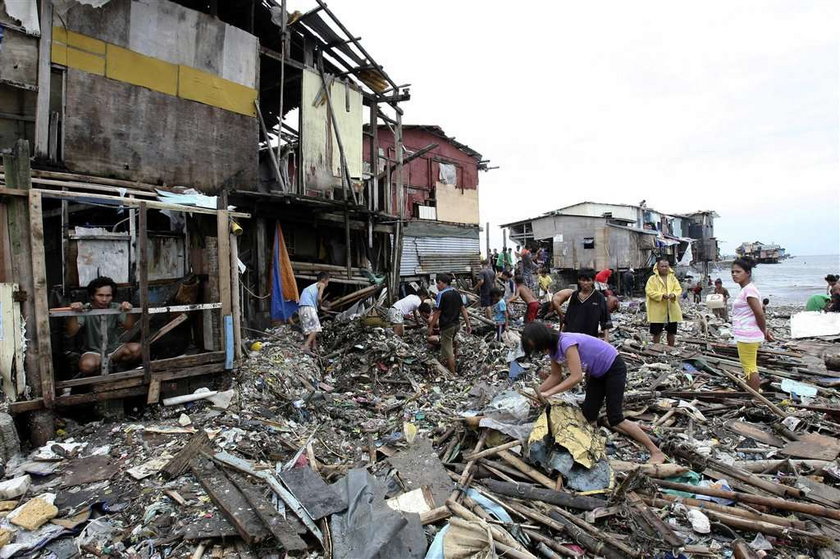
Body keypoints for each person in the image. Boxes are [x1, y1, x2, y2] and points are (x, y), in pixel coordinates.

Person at [521, 322, 666, 464]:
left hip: (613, 367)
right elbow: (555, 376)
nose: (541, 352)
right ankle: (595, 445)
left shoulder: (566, 343)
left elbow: (576, 377)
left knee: (615, 417)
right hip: (597, 373)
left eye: (539, 348)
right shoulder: (553, 350)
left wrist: (549, 393)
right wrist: (538, 393)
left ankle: (655, 451)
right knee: (589, 414)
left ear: (543, 340)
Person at [65, 276, 140, 376]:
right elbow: (71, 332)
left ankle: (118, 368)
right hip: (93, 352)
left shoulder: (116, 307)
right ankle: (99, 375)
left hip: (114, 350)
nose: (104, 299)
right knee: (87, 365)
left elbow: (129, 327)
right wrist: (74, 313)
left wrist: (129, 311)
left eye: (108, 295)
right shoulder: (85, 309)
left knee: (137, 349)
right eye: (100, 295)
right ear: (92, 296)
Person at [731, 257, 773, 391]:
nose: (734, 274)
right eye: (732, 272)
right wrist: (764, 331)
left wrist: (764, 331)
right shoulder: (747, 290)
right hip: (746, 333)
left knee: (750, 367)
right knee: (749, 366)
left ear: (748, 273)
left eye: (738, 271)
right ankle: (754, 393)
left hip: (747, 335)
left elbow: (759, 313)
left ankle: (755, 397)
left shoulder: (749, 290)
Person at [551, 269, 612, 341]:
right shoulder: (575, 295)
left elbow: (605, 319)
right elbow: (568, 317)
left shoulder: (599, 297)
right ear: (579, 281)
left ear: (593, 281)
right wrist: (561, 334)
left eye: (588, 280)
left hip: (589, 336)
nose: (585, 283)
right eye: (583, 280)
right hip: (572, 335)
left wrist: (606, 339)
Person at [430, 273, 471, 374]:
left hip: (447, 326)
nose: (437, 286)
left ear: (444, 283)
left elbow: (437, 312)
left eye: (438, 283)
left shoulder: (441, 294)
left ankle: (453, 373)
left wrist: (431, 326)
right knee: (451, 345)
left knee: (449, 352)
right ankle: (452, 363)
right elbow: (463, 309)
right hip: (456, 325)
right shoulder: (456, 292)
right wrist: (468, 324)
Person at [645, 258, 683, 346]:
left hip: (671, 309)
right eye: (662, 266)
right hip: (657, 310)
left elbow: (678, 289)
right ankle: (656, 348)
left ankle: (671, 348)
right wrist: (661, 295)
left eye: (666, 266)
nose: (664, 268)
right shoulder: (652, 279)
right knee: (656, 332)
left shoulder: (672, 278)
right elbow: (649, 291)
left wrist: (673, 294)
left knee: (671, 331)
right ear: (657, 267)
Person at [299, 272, 330, 354]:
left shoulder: (309, 288)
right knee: (316, 328)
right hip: (309, 307)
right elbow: (319, 298)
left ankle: (313, 347)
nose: (327, 283)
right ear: (323, 280)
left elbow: (316, 303)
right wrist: (321, 304)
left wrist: (321, 307)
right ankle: (305, 346)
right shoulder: (321, 284)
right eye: (328, 281)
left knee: (311, 329)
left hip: (302, 308)